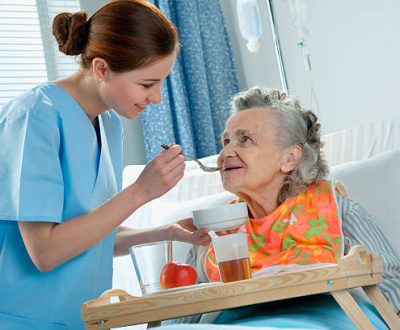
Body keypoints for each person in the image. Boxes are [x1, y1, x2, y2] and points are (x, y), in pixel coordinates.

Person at [0, 1, 210, 329]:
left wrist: (164, 232)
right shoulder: (34, 118)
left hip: (85, 319)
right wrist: (140, 192)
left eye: (161, 83)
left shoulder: (109, 124)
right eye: (146, 84)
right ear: (101, 69)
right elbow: (46, 252)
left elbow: (92, 234)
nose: (156, 98)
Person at [180, 87, 400, 327]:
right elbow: (180, 309)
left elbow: (390, 283)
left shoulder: (336, 212)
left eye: (245, 139)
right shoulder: (213, 229)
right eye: (226, 141)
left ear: (290, 158)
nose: (225, 153)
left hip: (327, 317)